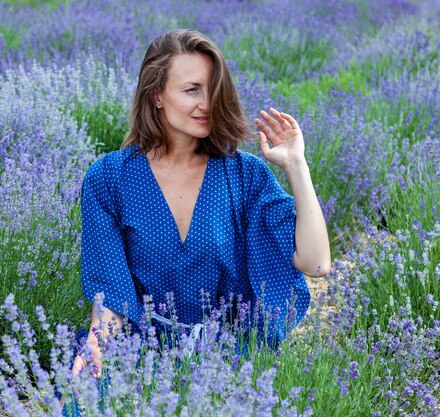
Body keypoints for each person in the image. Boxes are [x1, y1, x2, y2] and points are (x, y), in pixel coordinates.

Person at [70, 28, 331, 381]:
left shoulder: (243, 174)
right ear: (156, 95)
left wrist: (296, 165)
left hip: (229, 361)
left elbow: (316, 264)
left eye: (213, 90)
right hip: (142, 361)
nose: (207, 103)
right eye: (192, 90)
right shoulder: (109, 178)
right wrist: (97, 346)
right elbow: (111, 295)